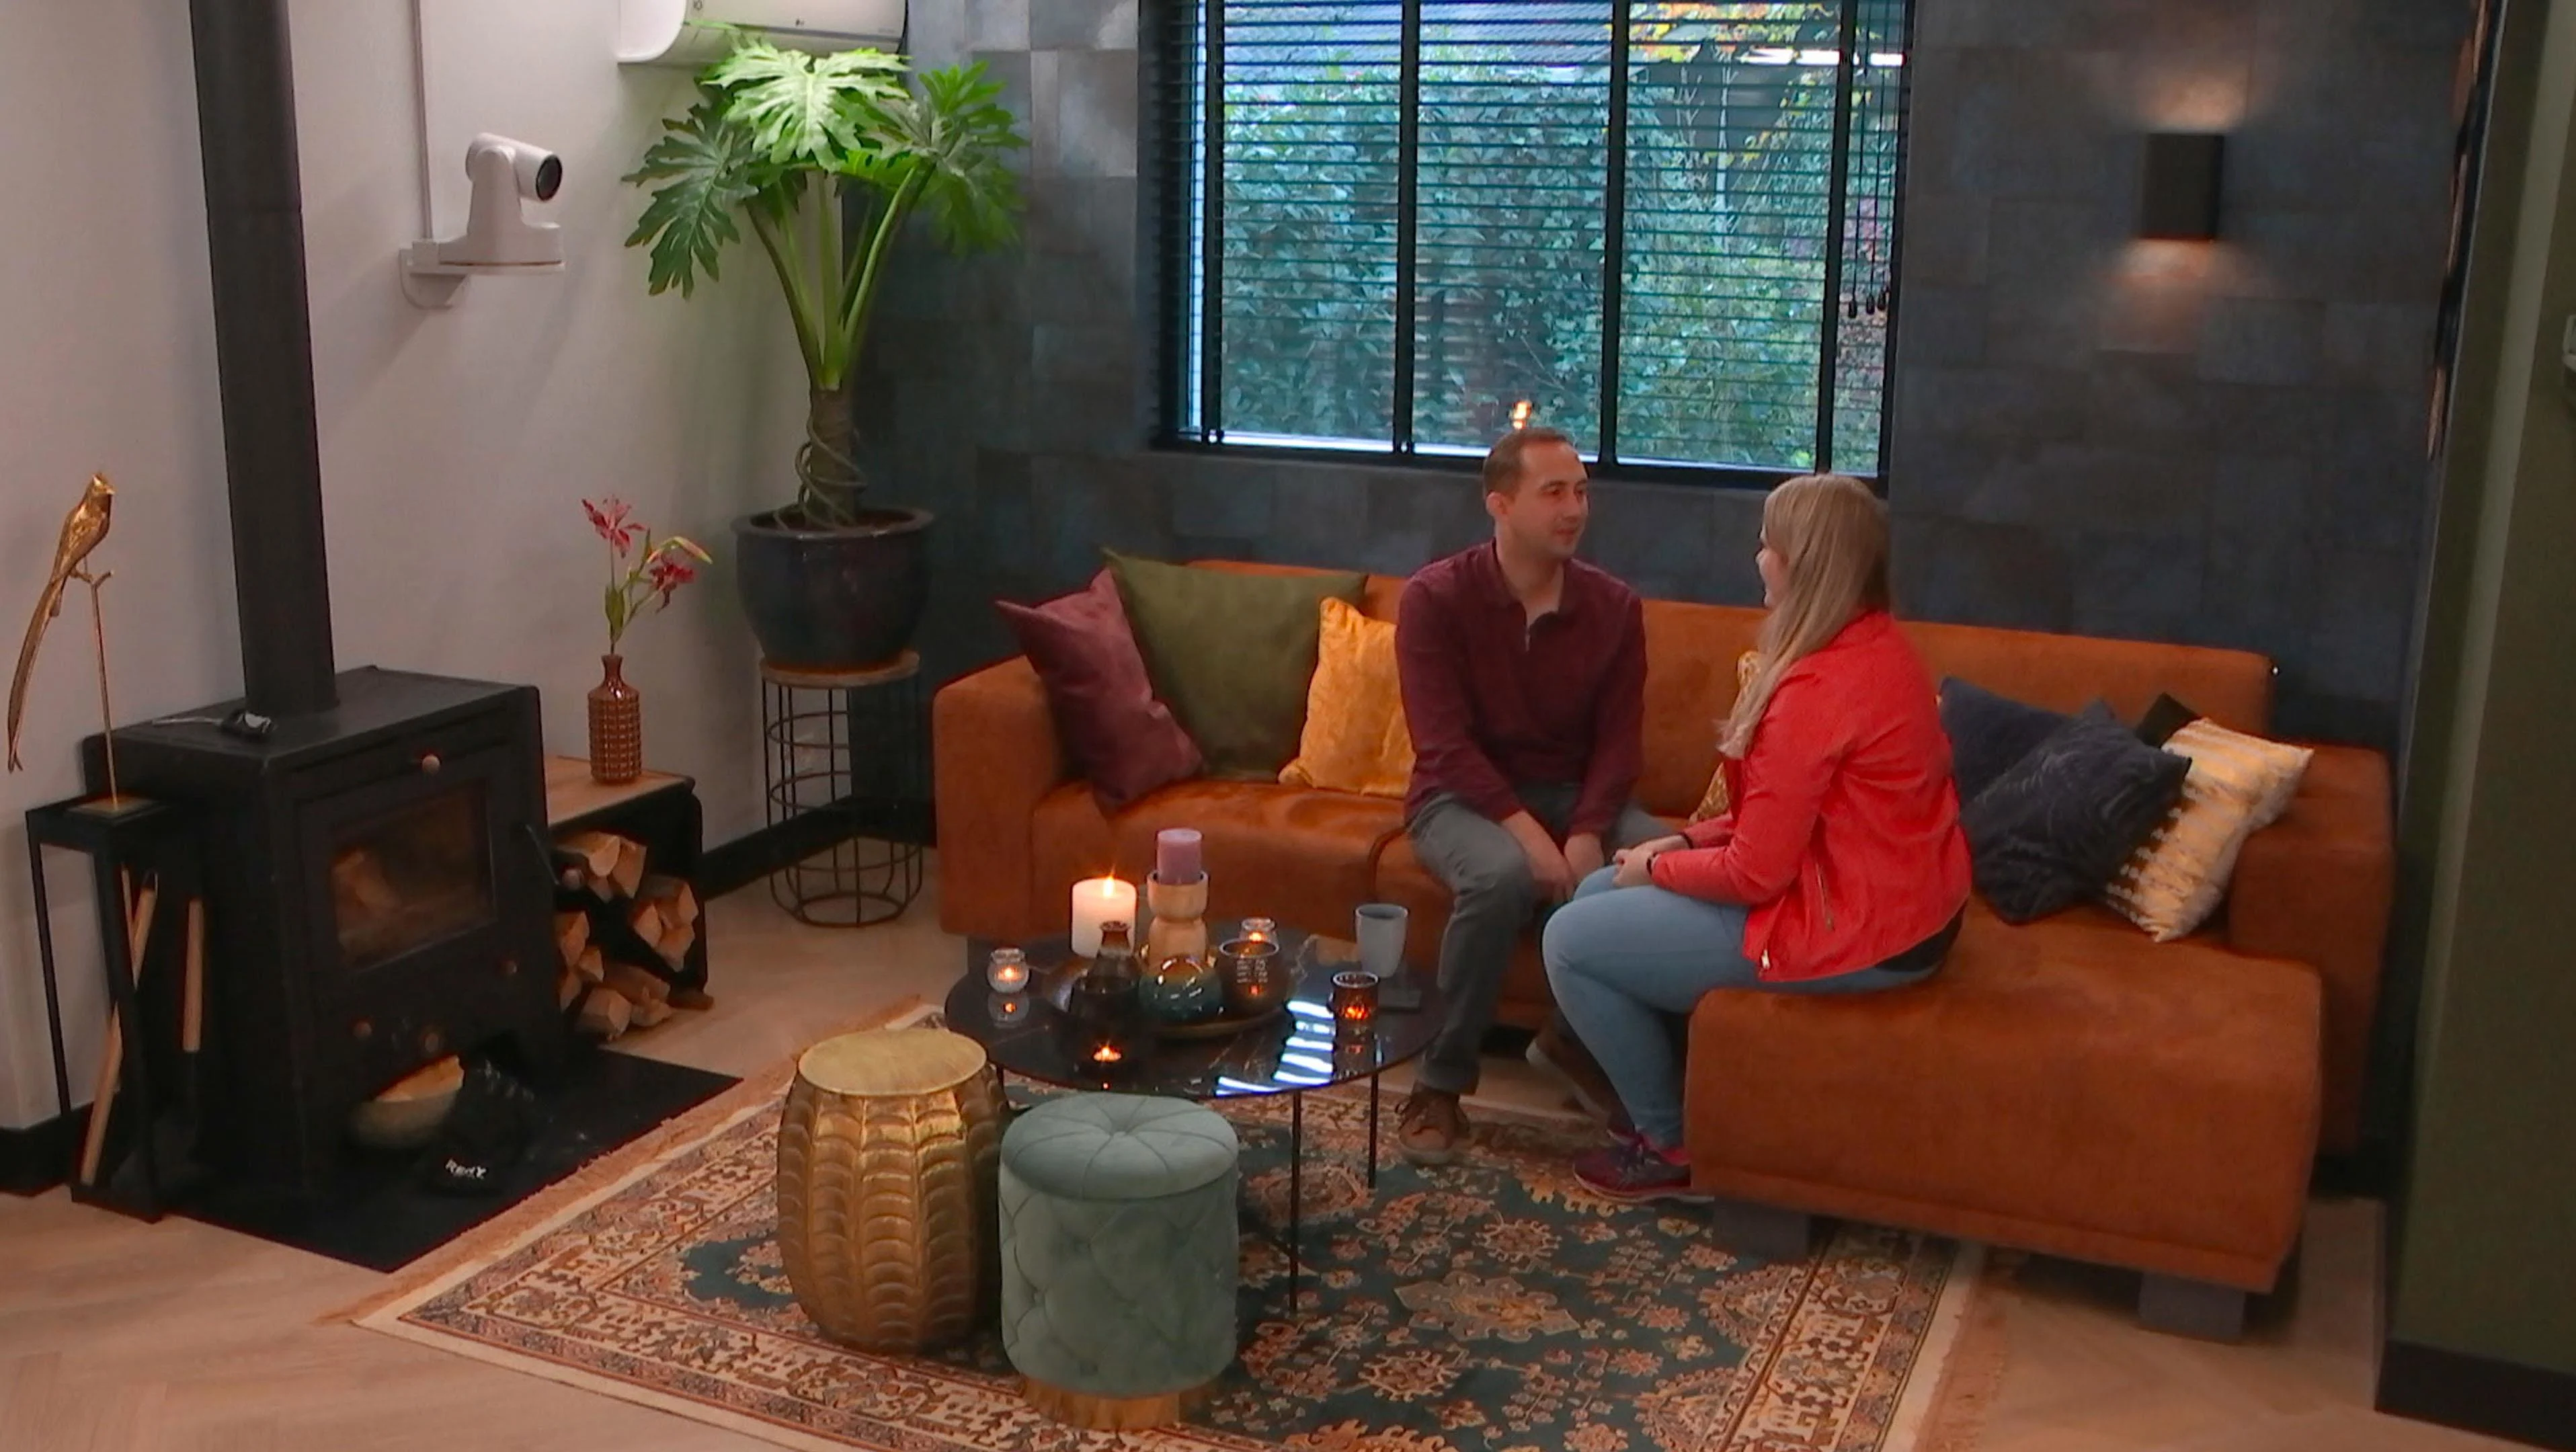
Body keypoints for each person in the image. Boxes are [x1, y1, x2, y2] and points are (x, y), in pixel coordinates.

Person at [1538, 473, 1971, 1199]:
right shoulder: (1875, 646)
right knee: (1593, 891)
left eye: (1769, 546)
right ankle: (1669, 1086)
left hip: (1863, 928)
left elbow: (1755, 875)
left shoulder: (1818, 691)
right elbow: (1787, 815)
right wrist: (1682, 844)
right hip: (1892, 902)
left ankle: (1669, 1142)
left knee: (1568, 940)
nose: (1758, 558)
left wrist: (1657, 870)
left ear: (1803, 565)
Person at [1393, 426, 1664, 1166]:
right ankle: (1440, 1086)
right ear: (1500, 504)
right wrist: (1529, 835)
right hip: (1459, 797)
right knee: (1500, 877)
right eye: (1554, 493)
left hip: (1577, 796)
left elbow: (1619, 746)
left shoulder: (1614, 608)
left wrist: (1587, 832)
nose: (1574, 509)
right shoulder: (1435, 598)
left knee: (1664, 866)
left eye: (1581, 492)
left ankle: (1573, 1044)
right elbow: (1444, 746)